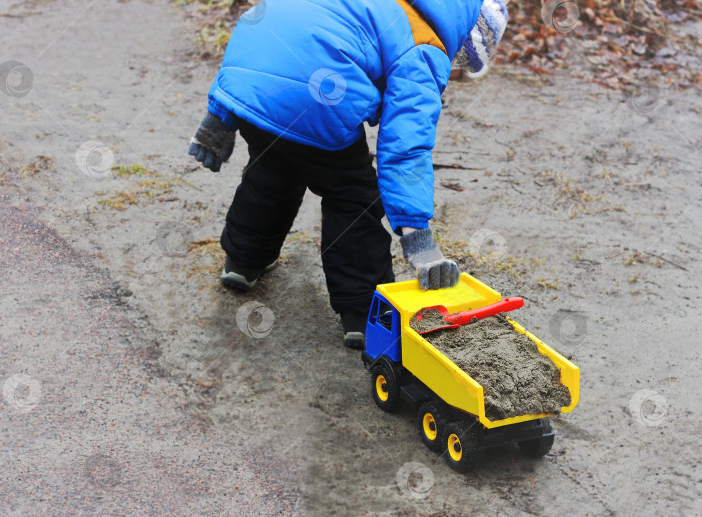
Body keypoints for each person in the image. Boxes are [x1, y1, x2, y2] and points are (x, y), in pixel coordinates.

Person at [188, 0, 508, 348]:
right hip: (315, 97)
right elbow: (405, 148)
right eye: (461, 63)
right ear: (464, 36)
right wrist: (417, 235)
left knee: (276, 164)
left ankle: (243, 259)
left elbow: (269, 27)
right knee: (352, 194)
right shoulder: (426, 42)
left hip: (250, 76)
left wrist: (220, 109)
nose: (454, 71)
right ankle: (361, 312)